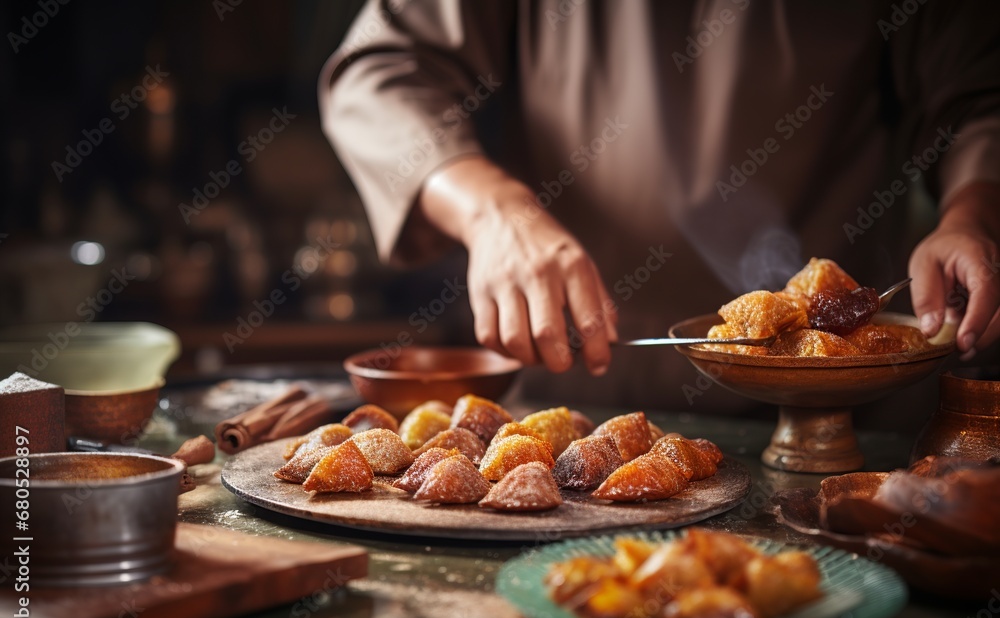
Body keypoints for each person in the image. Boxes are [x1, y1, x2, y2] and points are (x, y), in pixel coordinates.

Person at [320, 0, 1000, 414]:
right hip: (578, 389)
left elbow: (981, 95)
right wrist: (491, 209)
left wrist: (972, 211)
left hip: (847, 415)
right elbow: (378, 71)